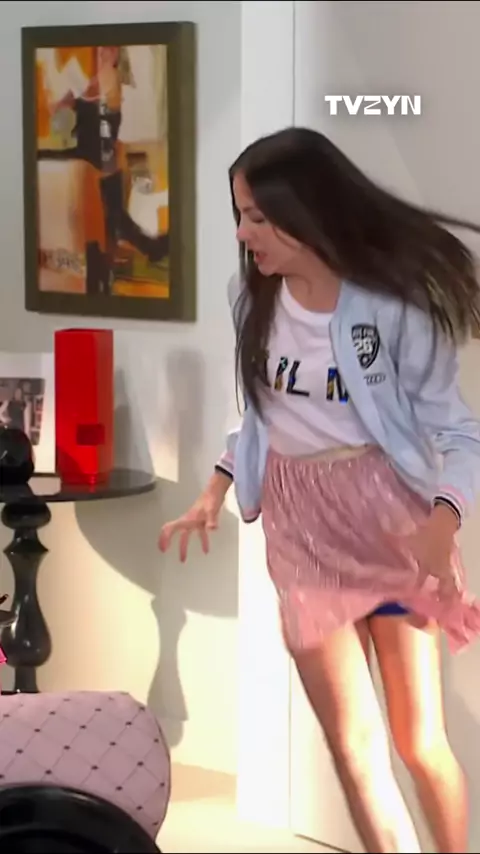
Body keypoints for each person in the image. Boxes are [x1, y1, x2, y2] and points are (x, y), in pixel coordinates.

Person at [158, 127, 480, 853]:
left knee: (418, 741)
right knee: (354, 747)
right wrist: (215, 487)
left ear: (307, 213)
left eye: (257, 217)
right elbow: (263, 416)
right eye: (240, 214)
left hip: (388, 519)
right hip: (301, 528)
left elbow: (460, 432)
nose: (243, 234)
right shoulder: (251, 300)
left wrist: (444, 521)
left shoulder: (394, 307)